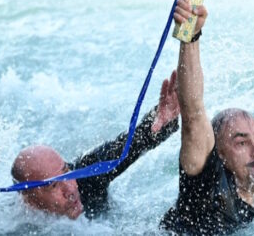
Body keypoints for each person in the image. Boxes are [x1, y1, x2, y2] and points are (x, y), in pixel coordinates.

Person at [160, 0, 254, 235]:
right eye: (241, 143)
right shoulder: (207, 192)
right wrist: (191, 37)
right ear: (216, 153)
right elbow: (193, 115)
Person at [11, 70, 181, 219]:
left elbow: (127, 146)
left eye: (66, 172)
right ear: (30, 201)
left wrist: (161, 120)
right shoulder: (13, 225)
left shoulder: (86, 176)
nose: (70, 190)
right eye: (54, 185)